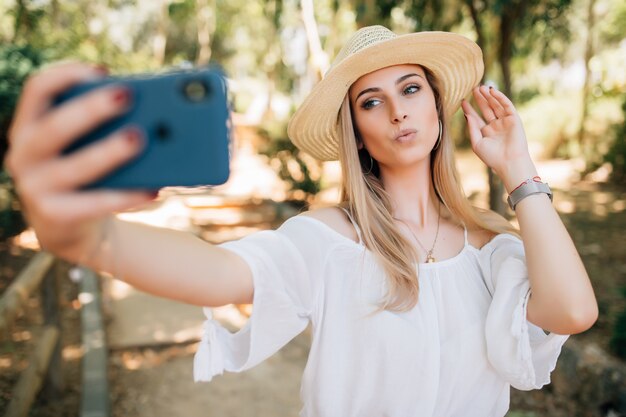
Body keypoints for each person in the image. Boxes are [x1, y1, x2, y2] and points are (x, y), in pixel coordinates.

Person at [5, 25, 597, 416]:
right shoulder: (330, 240)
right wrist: (89, 237)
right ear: (356, 133)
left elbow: (571, 311)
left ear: (437, 108)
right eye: (371, 101)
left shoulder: (493, 248)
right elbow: (220, 272)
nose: (396, 111)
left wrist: (519, 170)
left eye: (410, 88)